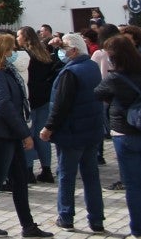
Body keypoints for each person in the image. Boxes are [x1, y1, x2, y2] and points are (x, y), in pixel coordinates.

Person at [0, 33, 52, 238]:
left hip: (9, 132)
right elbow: (4, 106)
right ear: (3, 50)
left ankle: (28, 225)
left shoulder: (5, 71)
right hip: (1, 132)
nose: (13, 52)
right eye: (11, 49)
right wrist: (24, 133)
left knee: (19, 179)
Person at [39, 33, 104, 232]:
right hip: (91, 130)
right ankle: (97, 220)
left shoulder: (71, 72)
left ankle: (66, 216)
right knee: (91, 176)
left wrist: (48, 127)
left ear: (74, 51)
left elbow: (61, 105)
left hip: (72, 132)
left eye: (64, 49)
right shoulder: (92, 67)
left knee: (67, 176)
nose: (62, 53)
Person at [94, 35, 141, 237]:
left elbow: (97, 93)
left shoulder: (115, 78)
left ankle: (138, 228)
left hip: (124, 132)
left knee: (132, 184)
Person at [17, 26, 59, 184]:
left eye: (19, 36)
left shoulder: (25, 56)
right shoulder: (44, 53)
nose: (17, 38)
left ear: (25, 38)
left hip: (30, 98)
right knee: (42, 135)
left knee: (28, 134)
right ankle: (46, 169)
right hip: (44, 97)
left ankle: (28, 171)